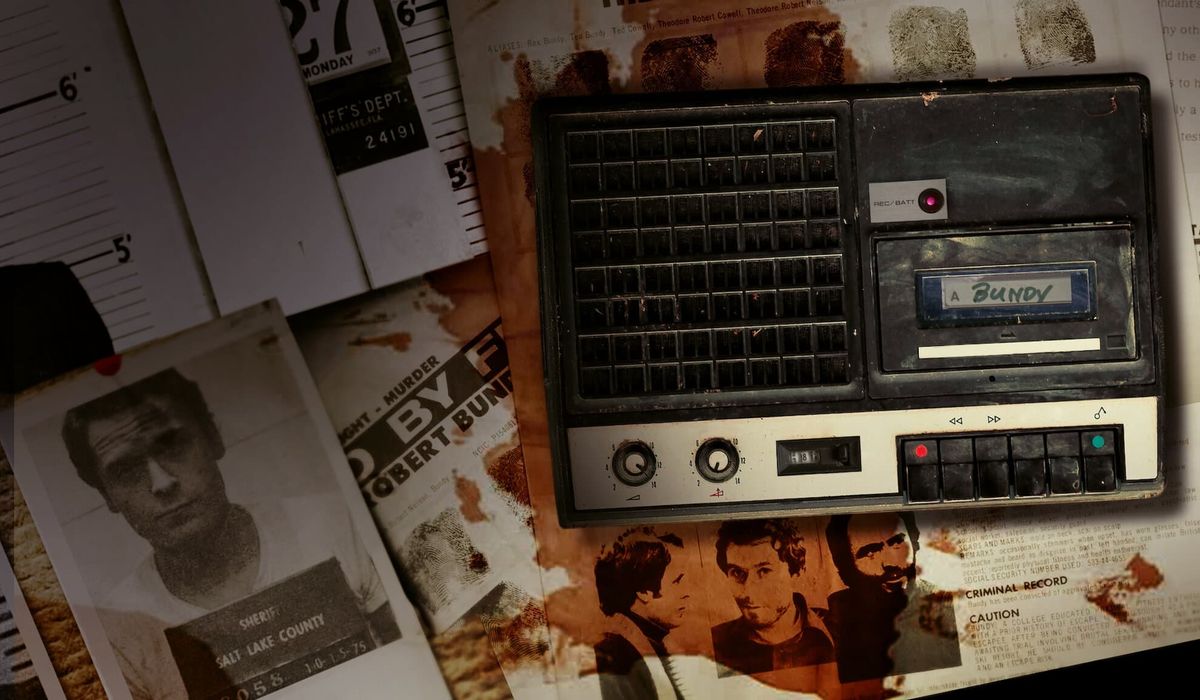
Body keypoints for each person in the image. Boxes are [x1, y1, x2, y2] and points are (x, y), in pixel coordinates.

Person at [61, 368, 399, 699]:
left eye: (172, 444)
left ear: (213, 437)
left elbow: (414, 651)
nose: (162, 483)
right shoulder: (118, 632)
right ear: (106, 494)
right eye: (126, 470)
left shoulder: (334, 521)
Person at [823, 512, 961, 683]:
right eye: (870, 552)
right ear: (845, 564)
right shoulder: (834, 620)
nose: (891, 562)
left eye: (897, 542)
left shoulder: (944, 603)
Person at [710, 519, 833, 676]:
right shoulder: (714, 644)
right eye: (737, 572)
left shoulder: (840, 631)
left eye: (764, 571)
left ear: (796, 573)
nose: (749, 591)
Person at [593, 527, 691, 699]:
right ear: (644, 592)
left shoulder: (639, 644)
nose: (686, 592)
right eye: (676, 581)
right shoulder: (617, 658)